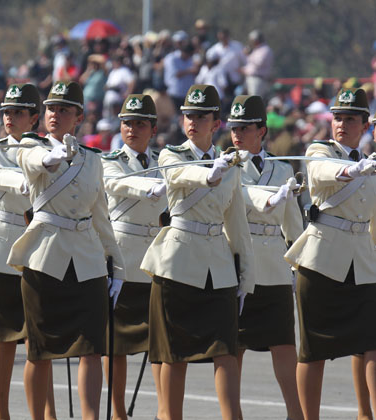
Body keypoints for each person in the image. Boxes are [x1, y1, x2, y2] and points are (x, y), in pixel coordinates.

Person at [7, 80, 126, 420]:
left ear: (79, 117)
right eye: (50, 109)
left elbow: (101, 216)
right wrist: (53, 156)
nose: (55, 114)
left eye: (64, 109)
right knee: (40, 350)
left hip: (87, 259)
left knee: (92, 347)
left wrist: (117, 266)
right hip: (44, 256)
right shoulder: (31, 146)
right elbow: (33, 161)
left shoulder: (93, 160)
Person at [140, 84, 255, 420]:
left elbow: (237, 225)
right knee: (175, 355)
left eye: (201, 116)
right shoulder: (171, 154)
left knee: (225, 351)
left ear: (216, 123)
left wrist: (246, 276)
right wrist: (211, 174)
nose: (193, 121)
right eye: (189, 114)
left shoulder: (230, 164)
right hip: (178, 263)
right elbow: (177, 175)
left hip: (217, 267)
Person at [285, 87, 376, 420]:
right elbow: (321, 173)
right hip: (321, 260)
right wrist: (356, 170)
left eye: (350, 119)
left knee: (371, 342)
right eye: (337, 118)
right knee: (313, 351)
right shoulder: (318, 150)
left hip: (363, 264)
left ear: (365, 125)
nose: (341, 125)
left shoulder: (371, 162)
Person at [0, 83, 57, 420]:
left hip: (42, 247)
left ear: (34, 117)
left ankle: (46, 413)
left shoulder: (52, 150)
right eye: (6, 111)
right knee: (3, 338)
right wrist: (29, 178)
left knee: (41, 340)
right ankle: (1, 411)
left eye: (17, 112)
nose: (9, 117)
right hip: (1, 247)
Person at [227, 95, 304, 420]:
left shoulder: (282, 168)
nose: (237, 135)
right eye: (234, 128)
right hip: (238, 268)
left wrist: (297, 269)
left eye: (244, 128)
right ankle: (233, 415)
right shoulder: (224, 167)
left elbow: (294, 227)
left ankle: (296, 414)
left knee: (284, 345)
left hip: (273, 267)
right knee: (234, 351)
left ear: (262, 130)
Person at [101, 94, 166, 420]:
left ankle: (163, 410)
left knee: (160, 344)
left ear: (152, 129)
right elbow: (116, 184)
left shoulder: (166, 164)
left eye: (140, 123)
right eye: (127, 122)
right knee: (117, 345)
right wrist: (150, 188)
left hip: (156, 261)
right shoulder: (110, 160)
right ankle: (117, 413)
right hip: (122, 260)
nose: (133, 129)